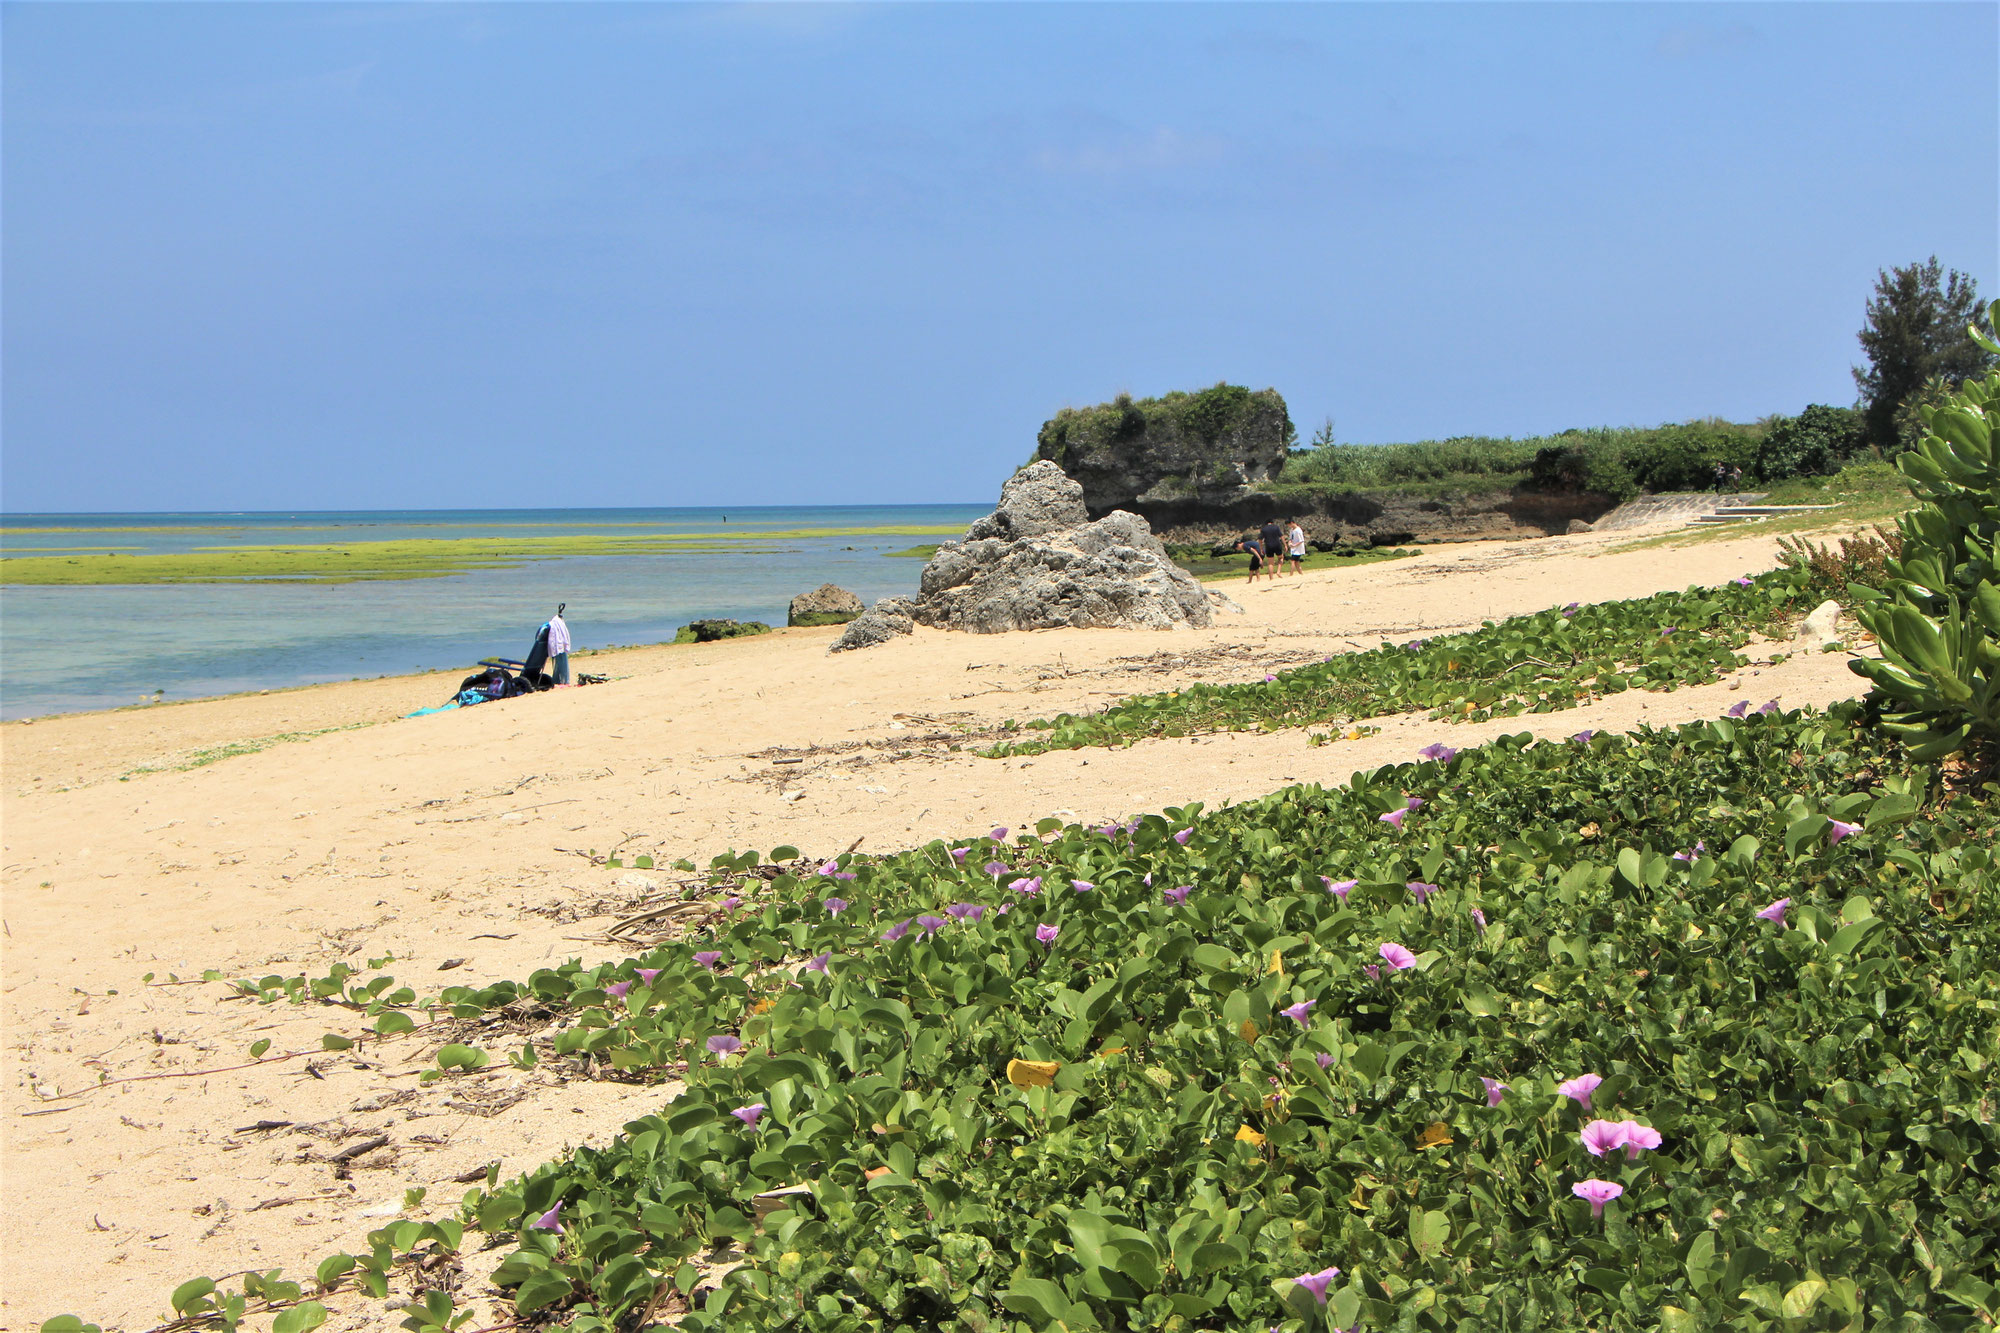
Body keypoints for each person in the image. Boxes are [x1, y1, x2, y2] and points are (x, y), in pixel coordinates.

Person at [545, 605, 572, 686]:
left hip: (559, 647)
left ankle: (560, 680)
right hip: (560, 647)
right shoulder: (557, 624)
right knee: (560, 662)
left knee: (560, 662)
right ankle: (560, 680)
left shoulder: (555, 624)